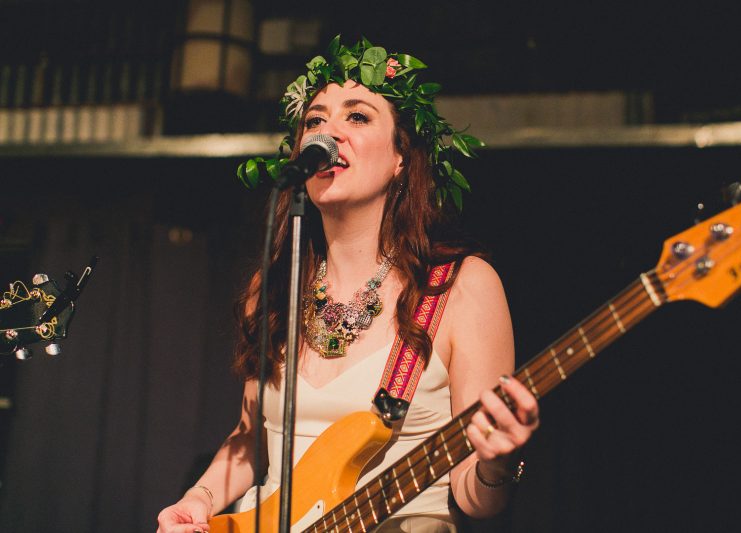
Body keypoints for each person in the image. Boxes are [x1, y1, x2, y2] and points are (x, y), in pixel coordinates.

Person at [156, 37, 540, 533]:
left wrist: (496, 463)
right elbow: (252, 437)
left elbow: (477, 498)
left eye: (357, 117)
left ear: (402, 156)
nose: (329, 131)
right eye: (314, 120)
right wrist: (199, 498)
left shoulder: (459, 289)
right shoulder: (273, 288)